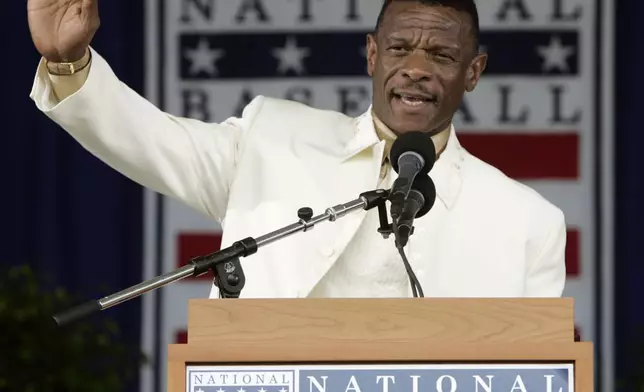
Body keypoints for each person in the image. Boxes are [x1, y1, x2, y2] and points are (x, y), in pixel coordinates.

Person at [27, 0, 566, 299]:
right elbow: (150, 141)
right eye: (400, 48)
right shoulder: (272, 137)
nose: (417, 68)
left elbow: (540, 370)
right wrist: (69, 65)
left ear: (473, 72)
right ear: (372, 55)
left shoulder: (526, 221)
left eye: (442, 55)